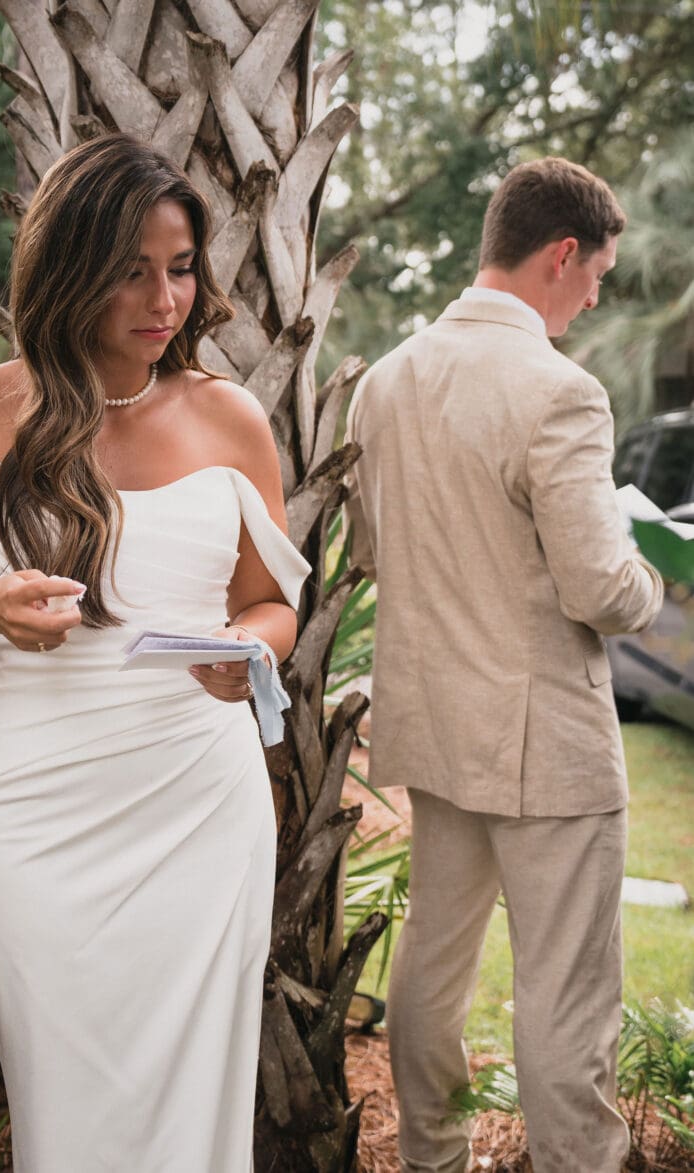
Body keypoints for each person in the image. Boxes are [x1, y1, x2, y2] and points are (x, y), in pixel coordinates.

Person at [0, 133, 309, 1171]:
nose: (164, 297)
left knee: (190, 1109)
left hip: (199, 809)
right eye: (132, 268)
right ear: (69, 265)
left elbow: (273, 608)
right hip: (34, 819)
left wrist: (242, 651)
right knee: (68, 1106)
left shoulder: (229, 418)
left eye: (180, 268)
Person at [344, 157, 664, 1173]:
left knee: (431, 978)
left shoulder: (381, 383)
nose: (594, 295)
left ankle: (431, 1162)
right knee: (566, 997)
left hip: (434, 734)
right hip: (548, 752)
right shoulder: (559, 392)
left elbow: (365, 552)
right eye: (597, 274)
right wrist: (651, 574)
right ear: (560, 253)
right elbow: (600, 593)